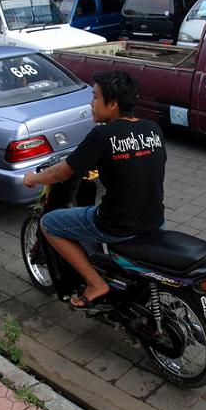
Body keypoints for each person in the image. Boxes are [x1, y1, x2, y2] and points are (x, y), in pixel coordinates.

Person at [23, 70, 167, 309]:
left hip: (116, 223)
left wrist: (33, 178)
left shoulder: (102, 135)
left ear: (113, 104)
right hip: (155, 219)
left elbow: (62, 172)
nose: (91, 104)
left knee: (49, 224)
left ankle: (95, 283)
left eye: (95, 97)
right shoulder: (153, 129)